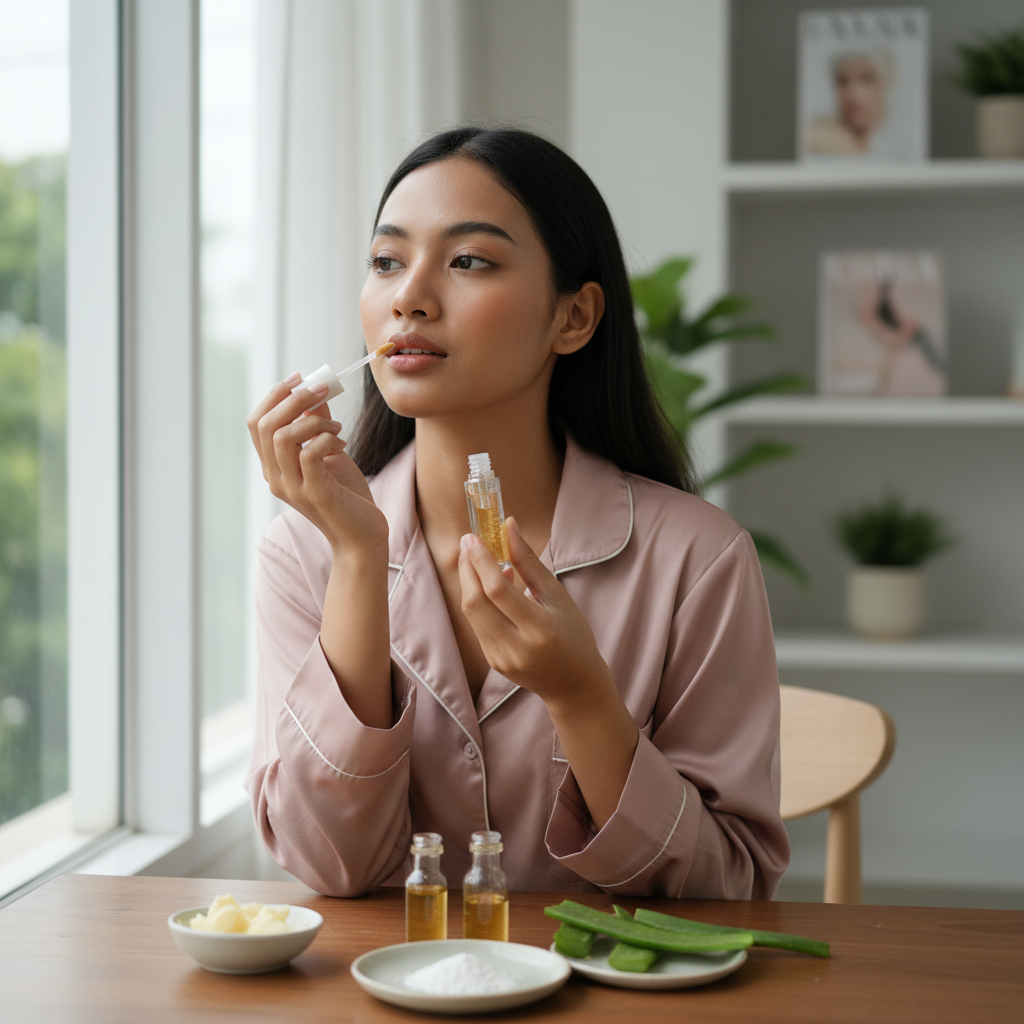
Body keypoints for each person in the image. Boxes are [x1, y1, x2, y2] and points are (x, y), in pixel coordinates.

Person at [245, 126, 789, 899]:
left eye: (468, 260)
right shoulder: (306, 554)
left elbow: (724, 889)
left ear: (574, 318)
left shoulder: (699, 561)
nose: (409, 297)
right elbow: (334, 867)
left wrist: (581, 698)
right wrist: (361, 560)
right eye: (386, 262)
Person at [806, 50, 891, 156]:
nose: (853, 94)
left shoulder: (899, 141)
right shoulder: (817, 138)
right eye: (843, 81)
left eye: (866, 79)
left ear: (887, 84)